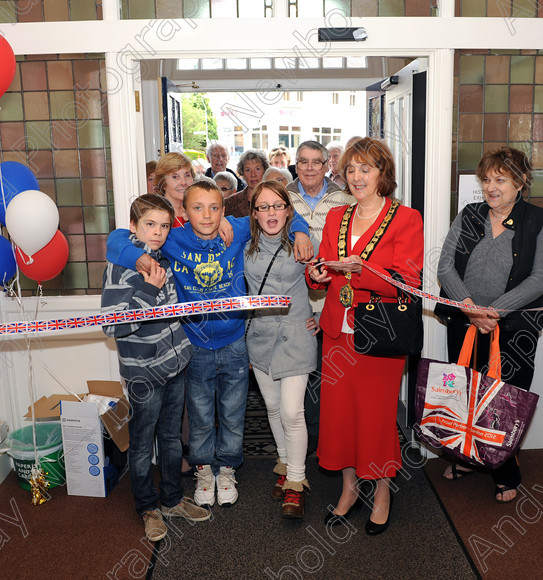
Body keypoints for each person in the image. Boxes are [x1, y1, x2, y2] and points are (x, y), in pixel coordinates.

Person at [106, 181, 313, 509]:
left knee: (233, 413)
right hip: (195, 345)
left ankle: (227, 469)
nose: (207, 215)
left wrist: (301, 232)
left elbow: (283, 213)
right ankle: (204, 470)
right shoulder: (170, 237)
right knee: (201, 415)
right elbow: (116, 239)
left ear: (225, 210)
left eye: (215, 208)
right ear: (183, 213)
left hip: (234, 342)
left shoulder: (239, 228)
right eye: (198, 208)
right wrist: (141, 259)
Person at [307, 137, 424, 536]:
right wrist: (317, 273)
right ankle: (349, 489)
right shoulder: (338, 217)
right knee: (340, 418)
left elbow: (408, 283)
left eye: (366, 169)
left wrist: (362, 271)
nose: (357, 177)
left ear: (382, 174)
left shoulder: (406, 219)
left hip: (379, 334)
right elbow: (319, 268)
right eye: (352, 169)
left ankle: (382, 492)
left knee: (375, 419)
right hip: (337, 333)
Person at [101, 194, 211, 542]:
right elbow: (112, 325)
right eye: (150, 224)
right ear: (133, 226)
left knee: (171, 439)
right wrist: (149, 289)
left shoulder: (160, 257)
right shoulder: (122, 266)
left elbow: (170, 310)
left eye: (164, 225)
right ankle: (147, 506)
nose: (158, 232)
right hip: (143, 376)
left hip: (174, 365)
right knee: (141, 443)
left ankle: (173, 499)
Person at [436, 146, 543, 504]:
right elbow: (445, 267)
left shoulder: (537, 221)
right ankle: (468, 458)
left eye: (500, 179)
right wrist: (470, 309)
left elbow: (540, 279)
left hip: (512, 330)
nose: (490, 187)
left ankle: (504, 470)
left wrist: (493, 311)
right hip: (465, 324)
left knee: (504, 402)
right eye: (486, 180)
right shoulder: (469, 216)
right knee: (466, 396)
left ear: (521, 181)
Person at [245, 181, 318, 519]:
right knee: (273, 408)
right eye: (263, 207)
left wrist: (321, 316)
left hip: (295, 336)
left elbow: (326, 281)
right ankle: (285, 462)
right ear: (254, 213)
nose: (271, 213)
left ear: (289, 211)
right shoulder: (243, 248)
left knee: (292, 412)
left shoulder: (304, 244)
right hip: (259, 337)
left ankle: (296, 482)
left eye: (278, 206)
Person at [287, 140, 351, 455]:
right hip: (295, 301)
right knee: (300, 371)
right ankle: (303, 438)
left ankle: (326, 435)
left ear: (327, 165)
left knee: (330, 374)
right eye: (303, 162)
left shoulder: (347, 200)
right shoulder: (282, 199)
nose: (310, 168)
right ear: (295, 165)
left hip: (334, 302)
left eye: (316, 162)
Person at [153, 152, 195, 227]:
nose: (183, 182)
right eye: (175, 177)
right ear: (163, 184)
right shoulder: (154, 216)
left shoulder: (198, 213)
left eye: (187, 175)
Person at [225, 149, 269, 218]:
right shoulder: (229, 204)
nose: (253, 174)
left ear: (265, 170)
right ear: (242, 173)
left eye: (257, 169)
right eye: (248, 170)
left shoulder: (276, 200)